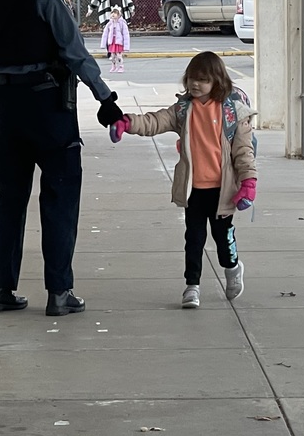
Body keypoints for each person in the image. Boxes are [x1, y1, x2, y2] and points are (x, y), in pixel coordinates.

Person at [0, 0, 124, 317]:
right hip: (49, 111)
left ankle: (0, 287)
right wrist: (106, 100)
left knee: (9, 201)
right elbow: (75, 51)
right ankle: (59, 293)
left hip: (9, 111)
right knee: (60, 200)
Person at [108, 51, 257, 309]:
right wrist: (128, 123)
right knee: (194, 239)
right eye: (191, 79)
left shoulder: (233, 113)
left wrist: (248, 183)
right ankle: (192, 286)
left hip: (222, 191)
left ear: (217, 81)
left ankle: (232, 268)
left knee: (223, 240)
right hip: (194, 190)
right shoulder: (184, 109)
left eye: (202, 80)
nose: (195, 84)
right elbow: (156, 121)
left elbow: (243, 151)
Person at [100, 6, 131, 73]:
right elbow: (105, 34)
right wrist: (103, 44)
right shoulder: (109, 24)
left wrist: (126, 46)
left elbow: (125, 35)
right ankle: (113, 66)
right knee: (112, 56)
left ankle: (121, 67)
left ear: (119, 14)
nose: (113, 15)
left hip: (119, 42)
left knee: (119, 56)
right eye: (112, 13)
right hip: (112, 42)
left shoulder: (122, 23)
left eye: (115, 13)